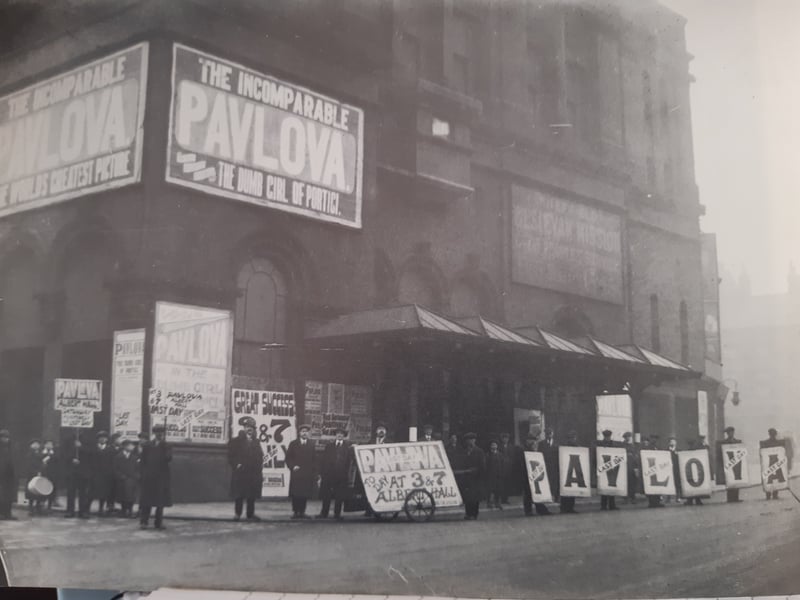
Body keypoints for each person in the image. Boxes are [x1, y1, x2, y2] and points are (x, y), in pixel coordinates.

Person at [228, 416, 264, 521]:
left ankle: (250, 514)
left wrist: (259, 468)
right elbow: (231, 456)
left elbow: (260, 456)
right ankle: (237, 514)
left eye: (252, 427)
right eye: (247, 426)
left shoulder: (256, 442)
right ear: (244, 428)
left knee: (251, 495)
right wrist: (236, 465)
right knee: (239, 494)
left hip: (253, 473)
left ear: (254, 429)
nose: (249, 429)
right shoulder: (236, 441)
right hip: (241, 472)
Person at [139, 425, 172, 530]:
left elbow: (168, 458)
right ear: (154, 433)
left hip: (161, 477)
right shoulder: (147, 445)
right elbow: (143, 461)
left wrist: (164, 446)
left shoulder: (167, 445)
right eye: (158, 433)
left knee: (160, 501)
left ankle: (158, 522)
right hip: (149, 477)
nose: (160, 435)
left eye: (161, 433)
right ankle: (144, 522)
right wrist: (143, 473)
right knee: (146, 501)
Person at [317, 427, 351, 520]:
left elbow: (348, 462)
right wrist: (322, 474)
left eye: (341, 434)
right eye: (338, 434)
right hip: (329, 474)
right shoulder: (329, 446)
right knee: (326, 495)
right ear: (335, 435)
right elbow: (323, 460)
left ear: (344, 436)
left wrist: (346, 474)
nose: (339, 435)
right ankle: (324, 513)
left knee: (339, 495)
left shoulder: (347, 447)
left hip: (341, 475)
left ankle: (337, 514)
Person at [286, 424, 316, 519]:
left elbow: (314, 459)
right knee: (296, 493)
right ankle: (295, 512)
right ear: (299, 433)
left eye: (306, 431)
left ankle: (302, 512)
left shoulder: (311, 444)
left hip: (307, 473)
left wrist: (314, 472)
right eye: (302, 431)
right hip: (297, 473)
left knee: (304, 493)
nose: (304, 433)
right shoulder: (293, 443)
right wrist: (292, 466)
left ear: (308, 433)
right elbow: (288, 458)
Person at [518, 432, 551, 516]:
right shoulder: (522, 449)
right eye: (530, 440)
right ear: (527, 440)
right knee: (528, 493)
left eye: (533, 440)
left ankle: (540, 509)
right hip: (525, 473)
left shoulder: (534, 449)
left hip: (534, 472)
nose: (532, 442)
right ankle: (528, 511)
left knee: (536, 491)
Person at [64, 432, 91, 519]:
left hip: (83, 471)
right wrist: (72, 458)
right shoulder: (68, 439)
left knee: (83, 493)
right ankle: (70, 511)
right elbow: (64, 453)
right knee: (70, 492)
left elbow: (91, 453)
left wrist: (81, 447)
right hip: (72, 471)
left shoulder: (87, 439)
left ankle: (82, 511)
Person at [458, 432, 485, 520]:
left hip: (476, 477)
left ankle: (474, 514)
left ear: (474, 440)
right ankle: (468, 513)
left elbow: (482, 465)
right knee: (468, 496)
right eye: (468, 440)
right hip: (466, 477)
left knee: (475, 497)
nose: (470, 442)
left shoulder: (479, 451)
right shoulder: (464, 451)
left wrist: (474, 470)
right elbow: (462, 463)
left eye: (471, 440)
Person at [88, 431, 115, 517]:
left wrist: (110, 473)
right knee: (91, 492)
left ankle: (101, 509)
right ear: (98, 439)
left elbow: (113, 462)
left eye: (104, 438)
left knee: (103, 493)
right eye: (100, 437)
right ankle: (86, 508)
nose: (102, 439)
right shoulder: (93, 448)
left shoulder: (110, 449)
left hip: (105, 474)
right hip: (95, 473)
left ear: (107, 439)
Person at [113, 440, 139, 518]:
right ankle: (123, 510)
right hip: (122, 479)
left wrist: (136, 476)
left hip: (132, 479)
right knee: (122, 495)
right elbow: (115, 468)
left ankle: (130, 510)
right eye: (130, 445)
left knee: (131, 496)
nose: (132, 447)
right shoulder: (118, 457)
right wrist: (121, 476)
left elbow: (137, 468)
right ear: (125, 446)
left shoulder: (135, 457)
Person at [718, 426, 743, 503]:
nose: (730, 434)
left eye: (731, 432)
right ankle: (730, 498)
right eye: (729, 433)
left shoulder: (738, 442)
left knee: (736, 480)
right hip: (728, 463)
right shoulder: (724, 443)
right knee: (729, 480)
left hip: (736, 463)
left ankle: (736, 497)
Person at [760, 428, 785, 500]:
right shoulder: (778, 443)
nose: (772, 435)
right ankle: (772, 494)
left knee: (771, 478)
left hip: (772, 462)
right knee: (773, 478)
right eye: (772, 434)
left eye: (773, 434)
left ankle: (771, 494)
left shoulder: (765, 443)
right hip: (772, 462)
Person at [684, 435, 710, 506]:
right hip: (694, 470)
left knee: (693, 484)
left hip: (693, 470)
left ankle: (693, 500)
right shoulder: (695, 450)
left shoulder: (692, 450)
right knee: (694, 484)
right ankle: (695, 500)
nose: (691, 445)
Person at [597, 430, 619, 511]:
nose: (607, 438)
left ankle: (612, 505)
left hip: (612, 467)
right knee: (604, 486)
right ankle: (603, 505)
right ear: (604, 437)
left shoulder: (613, 445)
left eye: (608, 436)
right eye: (606, 437)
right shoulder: (600, 445)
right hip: (603, 467)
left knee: (611, 486)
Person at [560, 430, 580, 514]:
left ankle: (570, 507)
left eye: (573, 438)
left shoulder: (576, 447)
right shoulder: (564, 447)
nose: (572, 439)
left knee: (571, 489)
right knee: (565, 490)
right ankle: (564, 507)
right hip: (565, 469)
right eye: (571, 438)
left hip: (572, 469)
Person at [537, 427, 559, 502]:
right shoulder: (541, 444)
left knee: (555, 482)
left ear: (553, 434)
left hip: (555, 466)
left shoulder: (557, 443)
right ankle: (547, 497)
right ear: (545, 434)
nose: (549, 435)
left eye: (550, 433)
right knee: (546, 482)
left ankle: (556, 497)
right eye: (547, 434)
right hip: (546, 466)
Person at [643, 436, 664, 508]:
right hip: (650, 468)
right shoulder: (647, 448)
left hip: (658, 468)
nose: (654, 440)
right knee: (650, 485)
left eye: (656, 439)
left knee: (657, 485)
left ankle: (657, 502)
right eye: (653, 439)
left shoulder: (659, 447)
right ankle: (651, 502)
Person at [24, 439, 44, 516]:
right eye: (34, 444)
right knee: (31, 491)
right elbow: (29, 464)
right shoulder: (29, 454)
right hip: (31, 475)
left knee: (39, 491)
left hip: (40, 474)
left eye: (37, 444)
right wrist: (35, 471)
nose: (36, 445)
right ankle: (31, 508)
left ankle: (38, 507)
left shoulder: (41, 453)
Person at [0, 430, 17, 520]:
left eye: (7, 437)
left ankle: (8, 513)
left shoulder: (10, 448)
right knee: (1, 496)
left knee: (9, 496)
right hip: (1, 476)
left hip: (9, 476)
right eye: (3, 437)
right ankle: (2, 513)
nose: (6, 439)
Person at [485, 440, 505, 510]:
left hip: (498, 475)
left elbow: (503, 464)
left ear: (497, 446)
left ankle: (497, 503)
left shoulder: (500, 455)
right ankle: (489, 503)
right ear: (490, 446)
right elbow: (486, 465)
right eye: (492, 445)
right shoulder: (488, 455)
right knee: (490, 490)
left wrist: (502, 473)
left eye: (495, 445)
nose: (494, 446)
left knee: (498, 490)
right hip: (490, 475)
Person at [498, 432, 517, 504]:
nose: (505, 440)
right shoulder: (499, 447)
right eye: (504, 438)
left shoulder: (511, 447)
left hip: (509, 468)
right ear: (501, 439)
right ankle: (502, 499)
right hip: (501, 468)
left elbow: (513, 457)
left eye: (506, 438)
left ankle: (506, 499)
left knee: (507, 484)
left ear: (508, 439)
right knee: (501, 484)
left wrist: (511, 463)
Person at [40, 440, 58, 510]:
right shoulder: (41, 452)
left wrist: (50, 458)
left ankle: (49, 506)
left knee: (51, 490)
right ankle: (41, 506)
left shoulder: (55, 453)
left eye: (50, 444)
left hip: (52, 474)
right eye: (47, 444)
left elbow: (57, 462)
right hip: (43, 473)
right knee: (42, 489)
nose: (49, 446)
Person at [622, 432, 639, 504]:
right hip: (625, 466)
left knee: (633, 482)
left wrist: (636, 467)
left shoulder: (633, 446)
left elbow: (636, 457)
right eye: (627, 437)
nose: (628, 438)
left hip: (632, 467)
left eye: (629, 437)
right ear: (624, 438)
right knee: (625, 482)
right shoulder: (622, 446)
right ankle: (626, 498)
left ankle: (632, 497)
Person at [666, 437, 682, 504]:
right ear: (669, 443)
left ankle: (678, 497)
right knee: (668, 483)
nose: (672, 443)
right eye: (671, 442)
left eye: (674, 442)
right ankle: (668, 498)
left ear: (676, 443)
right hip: (668, 469)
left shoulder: (679, 451)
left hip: (676, 469)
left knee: (677, 483)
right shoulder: (666, 451)